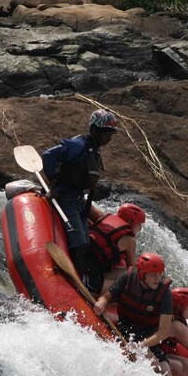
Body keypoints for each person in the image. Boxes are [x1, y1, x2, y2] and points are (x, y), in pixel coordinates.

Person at [40, 109, 118, 275]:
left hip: (78, 200)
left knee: (86, 243)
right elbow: (47, 156)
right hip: (65, 198)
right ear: (95, 130)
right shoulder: (78, 145)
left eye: (111, 134)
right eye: (106, 133)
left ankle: (80, 276)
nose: (109, 138)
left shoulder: (93, 148)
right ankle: (75, 277)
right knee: (79, 244)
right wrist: (52, 186)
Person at [93, 252, 188, 376]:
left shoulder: (164, 292)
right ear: (142, 274)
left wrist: (141, 345)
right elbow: (106, 296)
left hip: (149, 335)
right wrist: (102, 301)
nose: (158, 278)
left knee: (167, 374)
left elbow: (163, 331)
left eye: (160, 274)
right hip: (126, 327)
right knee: (153, 363)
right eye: (153, 275)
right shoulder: (127, 278)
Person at [85, 203, 145, 295]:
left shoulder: (105, 218)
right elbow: (131, 269)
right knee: (133, 275)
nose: (140, 229)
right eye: (139, 225)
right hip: (89, 277)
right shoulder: (130, 240)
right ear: (130, 221)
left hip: (82, 261)